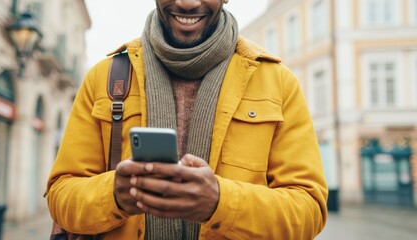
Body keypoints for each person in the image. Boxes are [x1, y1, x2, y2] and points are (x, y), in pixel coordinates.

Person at [46, 0, 328, 239]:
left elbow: (309, 208)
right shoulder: (105, 78)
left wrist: (220, 201)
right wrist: (114, 195)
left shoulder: (278, 82)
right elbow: (61, 195)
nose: (188, 3)